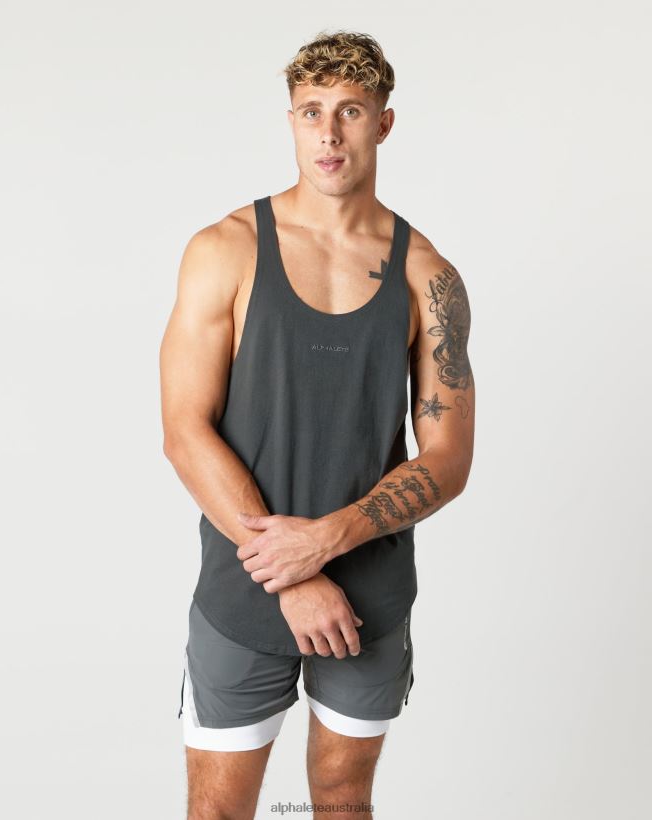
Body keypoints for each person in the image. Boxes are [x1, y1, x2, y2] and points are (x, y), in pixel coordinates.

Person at [160, 29, 475, 820]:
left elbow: (448, 457)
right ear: (291, 120)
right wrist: (295, 573)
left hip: (371, 596)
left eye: (351, 111)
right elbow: (184, 430)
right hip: (244, 589)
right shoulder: (225, 249)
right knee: (218, 812)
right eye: (311, 111)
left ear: (384, 123)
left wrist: (327, 541)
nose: (329, 133)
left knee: (341, 802)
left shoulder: (429, 277)